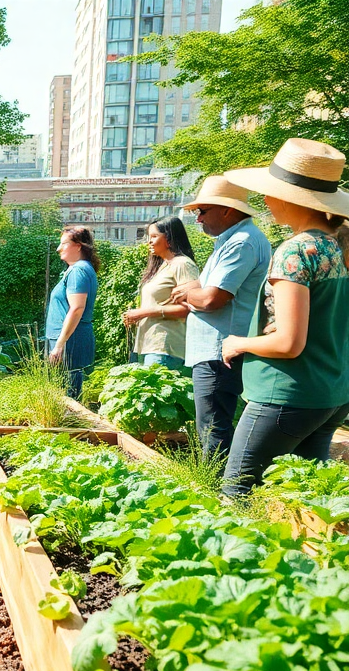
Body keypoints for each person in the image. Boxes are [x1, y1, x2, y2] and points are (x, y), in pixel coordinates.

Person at [219, 138, 349, 495]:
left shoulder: (295, 251)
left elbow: (290, 343)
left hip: (287, 393)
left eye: (271, 192)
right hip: (332, 393)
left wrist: (238, 343)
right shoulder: (336, 246)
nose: (265, 200)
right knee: (304, 500)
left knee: (237, 491)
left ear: (293, 198)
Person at [169, 176, 272, 458]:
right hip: (217, 349)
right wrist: (195, 292)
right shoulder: (233, 240)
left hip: (219, 350)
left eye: (202, 211)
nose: (198, 219)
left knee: (213, 428)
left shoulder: (241, 243)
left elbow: (211, 299)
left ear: (227, 210)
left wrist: (189, 294)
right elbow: (204, 292)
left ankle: (218, 493)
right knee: (213, 425)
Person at [123, 216, 200, 370]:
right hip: (149, 344)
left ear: (169, 239)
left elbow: (190, 308)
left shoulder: (182, 264)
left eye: (154, 236)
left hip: (165, 346)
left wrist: (144, 312)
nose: (149, 241)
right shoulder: (163, 266)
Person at [46, 226, 99, 399]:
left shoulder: (78, 271)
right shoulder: (78, 269)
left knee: (67, 398)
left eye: (64, 244)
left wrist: (59, 345)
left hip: (70, 342)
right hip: (69, 340)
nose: (58, 248)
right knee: (64, 396)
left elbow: (77, 309)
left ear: (78, 246)